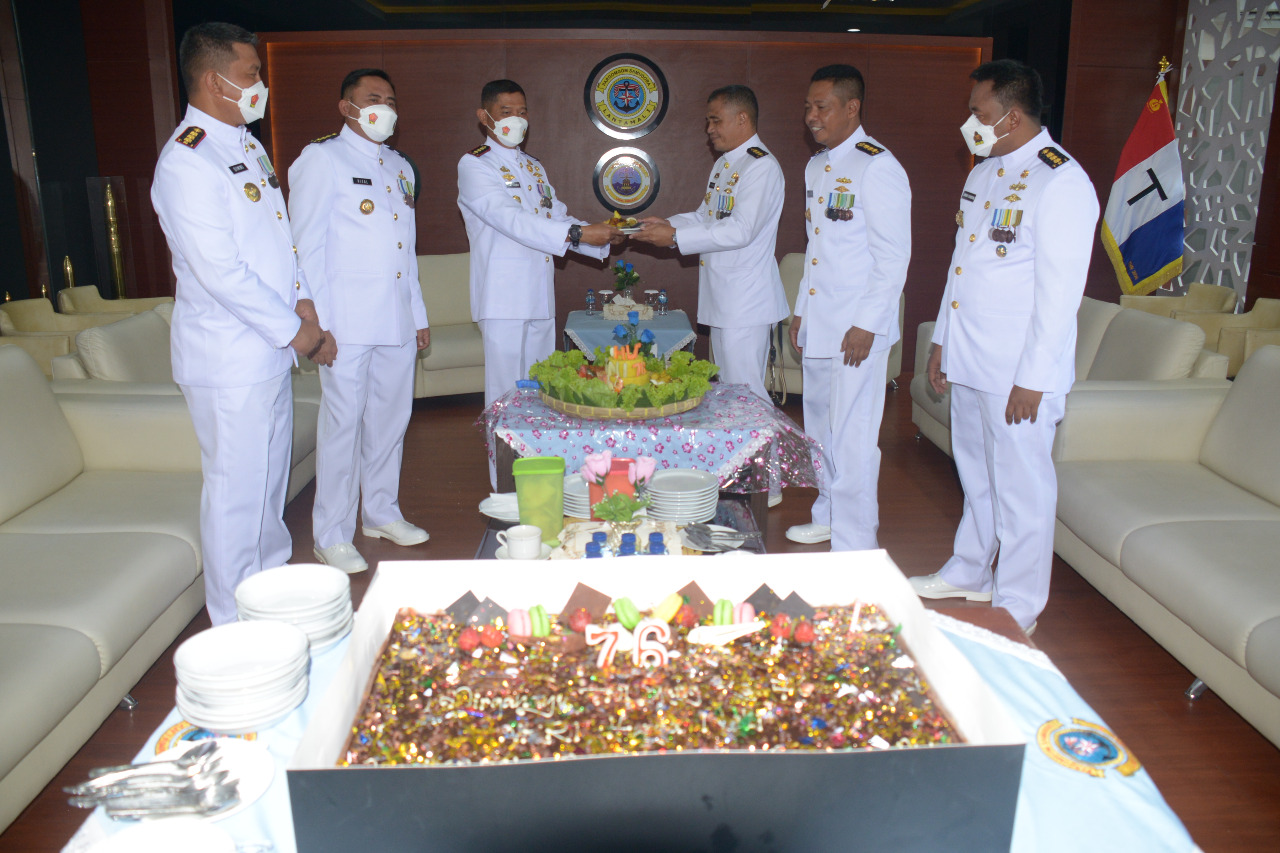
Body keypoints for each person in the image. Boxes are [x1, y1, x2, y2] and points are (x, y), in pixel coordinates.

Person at [151, 22, 334, 625]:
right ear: (214, 80)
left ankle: (269, 598)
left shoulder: (247, 146)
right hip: (228, 357)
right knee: (236, 494)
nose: (260, 84)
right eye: (251, 73)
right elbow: (220, 272)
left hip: (266, 351)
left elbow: (279, 242)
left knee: (267, 488)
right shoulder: (187, 160)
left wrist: (304, 301)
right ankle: (233, 625)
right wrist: (294, 330)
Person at [911, 59, 1098, 633]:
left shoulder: (1061, 181)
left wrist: (1034, 379)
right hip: (971, 355)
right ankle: (970, 569)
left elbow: (1060, 295)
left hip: (1018, 369)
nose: (970, 122)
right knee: (976, 474)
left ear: (1012, 116)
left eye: (979, 112)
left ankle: (1018, 603)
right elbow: (962, 266)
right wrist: (943, 342)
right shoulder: (984, 173)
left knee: (1022, 489)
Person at [288, 68, 431, 574]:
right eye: (373, 99)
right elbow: (303, 248)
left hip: (395, 318)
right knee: (342, 426)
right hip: (345, 323)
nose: (384, 108)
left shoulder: (399, 165)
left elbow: (405, 251)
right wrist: (317, 324)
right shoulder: (321, 159)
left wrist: (417, 313)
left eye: (390, 100)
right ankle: (331, 534)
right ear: (346, 107)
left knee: (391, 421)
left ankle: (381, 513)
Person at [786, 64, 911, 550]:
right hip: (822, 323)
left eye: (822, 107)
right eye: (808, 106)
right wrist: (802, 308)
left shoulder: (877, 166)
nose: (811, 116)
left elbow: (892, 257)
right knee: (820, 429)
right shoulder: (817, 165)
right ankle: (829, 514)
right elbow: (816, 248)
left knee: (854, 436)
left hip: (858, 329)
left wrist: (867, 325)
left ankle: (856, 541)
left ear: (852, 107)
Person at [457, 79, 621, 419]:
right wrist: (579, 233)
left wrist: (601, 236)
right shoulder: (475, 165)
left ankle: (536, 453)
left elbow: (556, 216)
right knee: (505, 394)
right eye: (506, 112)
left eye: (522, 112)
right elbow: (511, 219)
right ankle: (501, 456)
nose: (516, 120)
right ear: (484, 117)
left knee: (539, 390)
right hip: (502, 297)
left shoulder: (533, 167)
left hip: (539, 293)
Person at [630, 85, 789, 403]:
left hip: (745, 302)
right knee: (730, 392)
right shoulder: (726, 164)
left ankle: (761, 439)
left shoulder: (761, 166)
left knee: (746, 396)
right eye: (708, 121)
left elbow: (741, 230)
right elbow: (705, 217)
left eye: (716, 121)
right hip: (725, 299)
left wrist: (675, 237)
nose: (709, 129)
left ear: (742, 118)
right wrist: (667, 225)